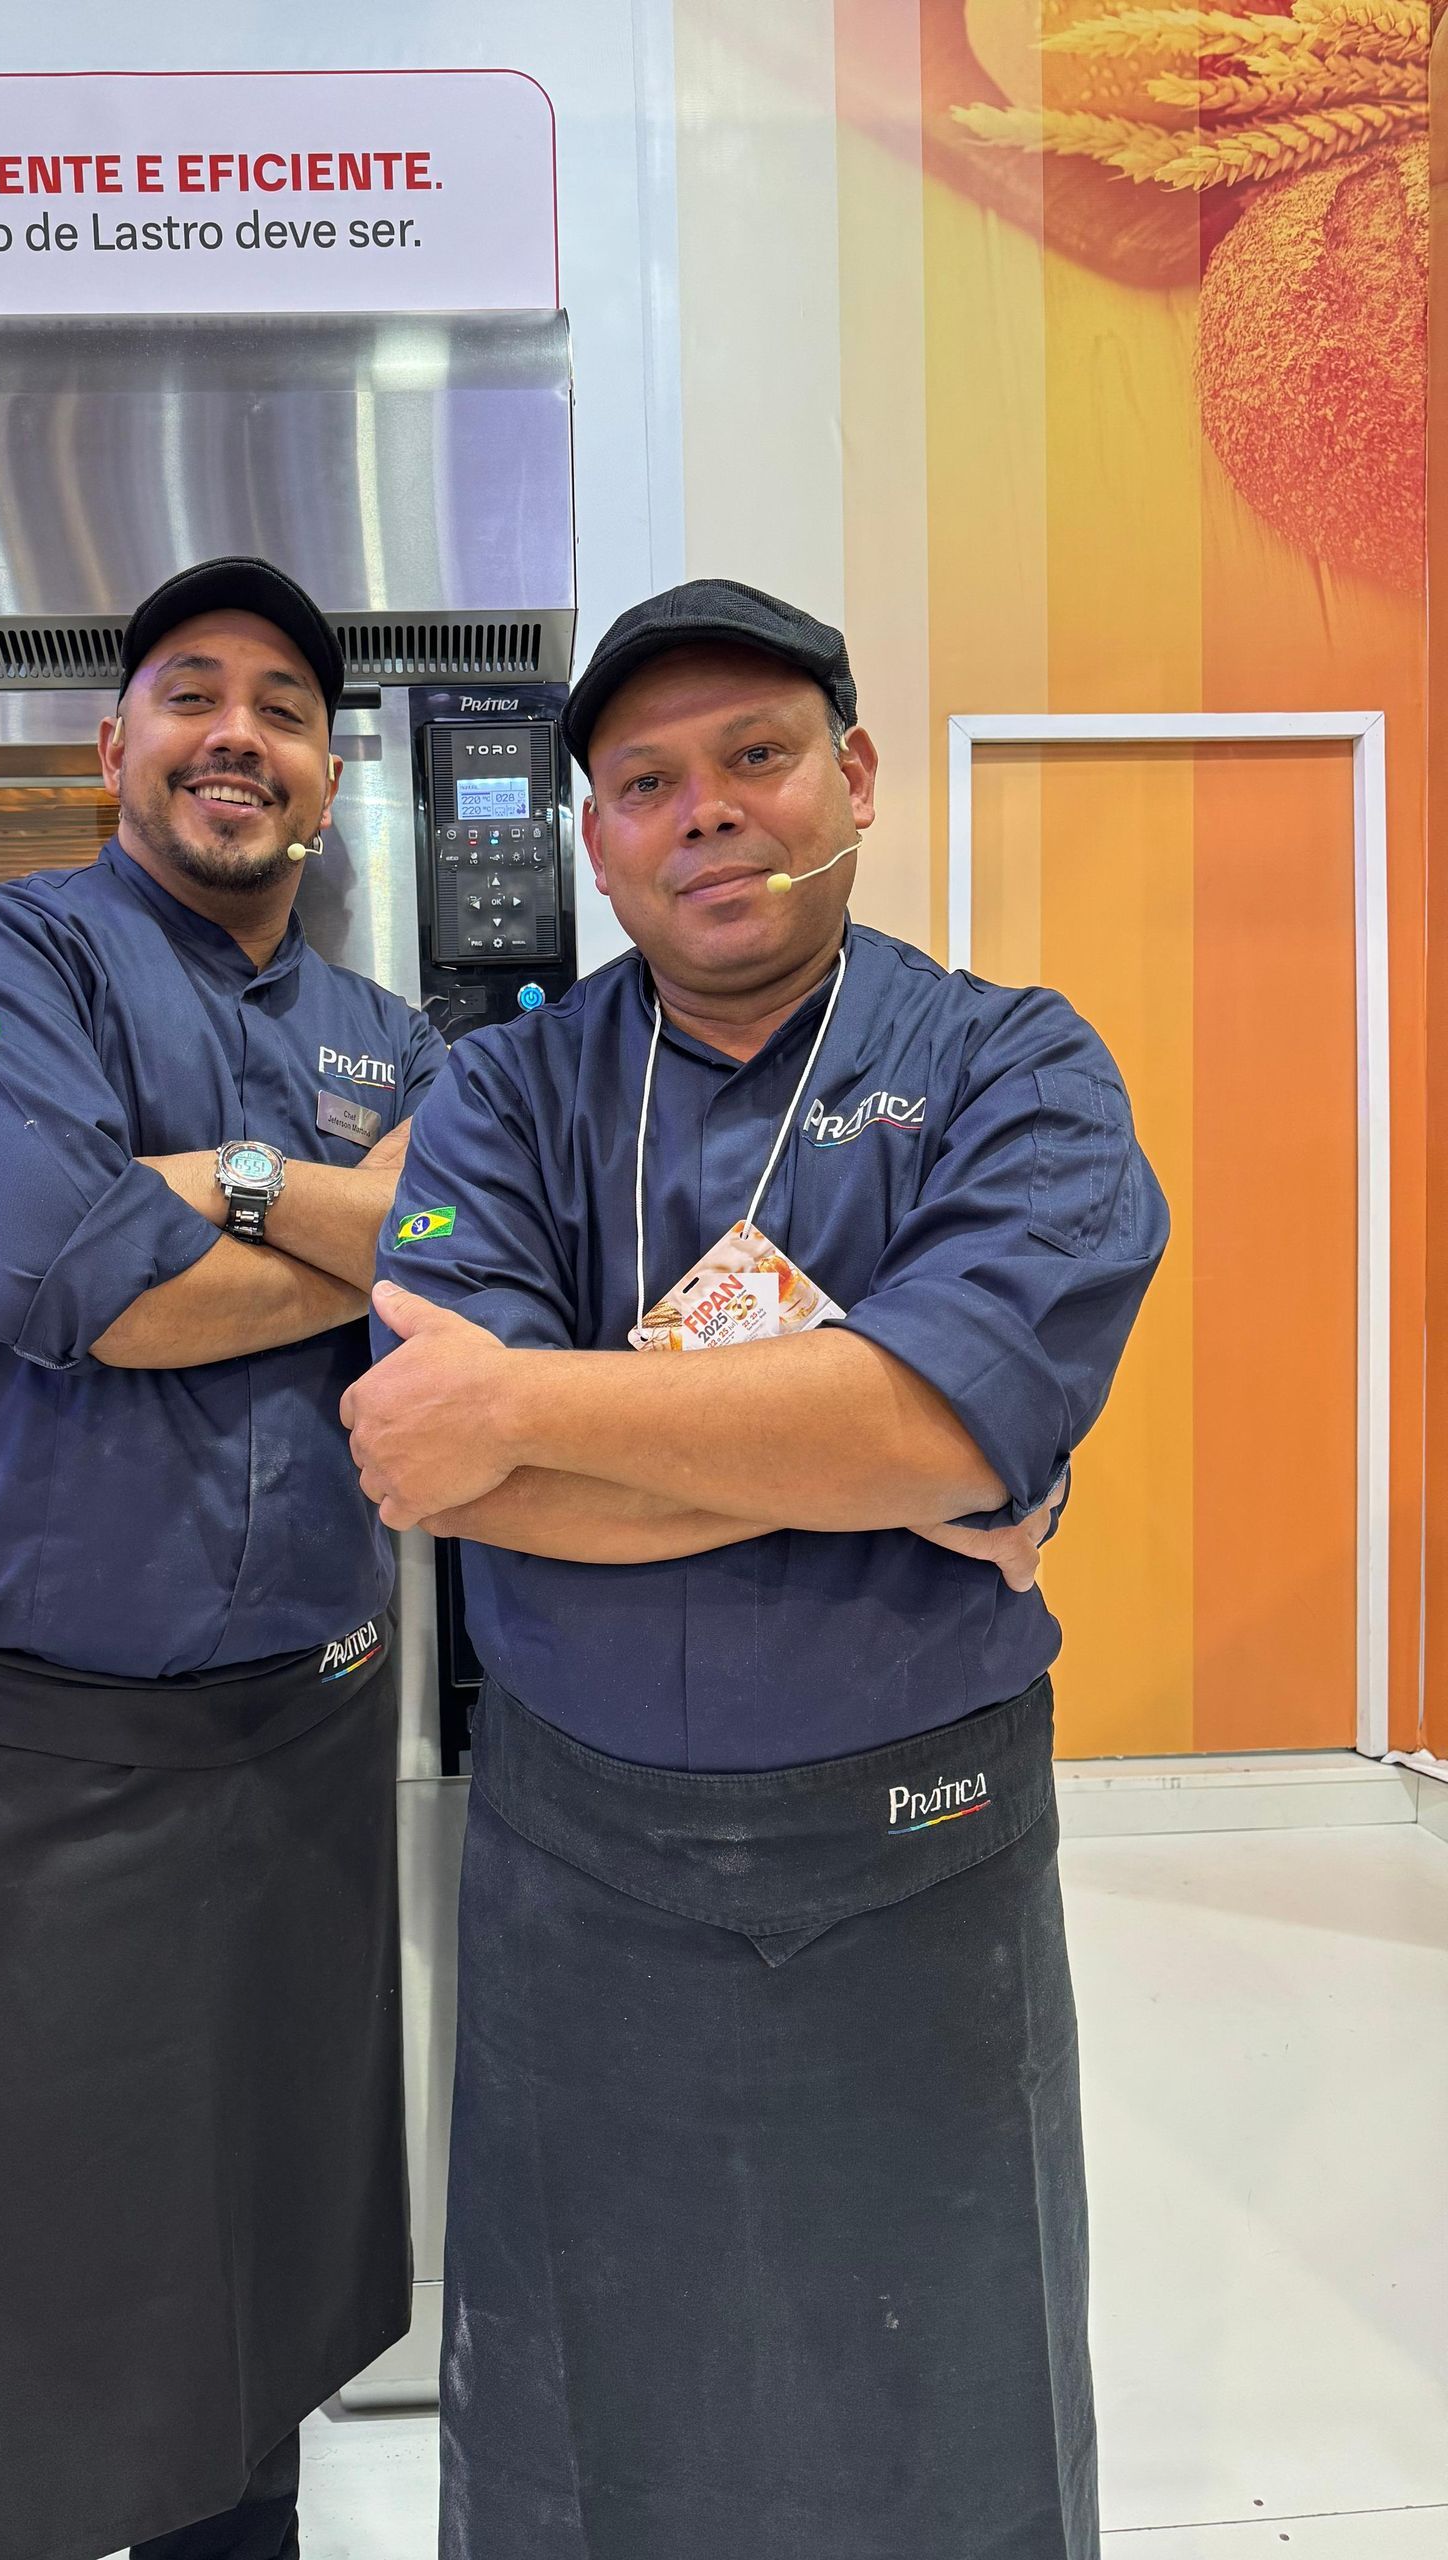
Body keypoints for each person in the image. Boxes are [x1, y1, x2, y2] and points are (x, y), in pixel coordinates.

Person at [343, 577, 1169, 2560]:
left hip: (921, 1847)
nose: (705, 808)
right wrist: (873, 1440)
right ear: (596, 843)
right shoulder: (504, 1093)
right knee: (580, 2412)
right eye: (644, 781)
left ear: (856, 777)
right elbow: (441, 1462)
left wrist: (566, 1408)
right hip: (575, 1853)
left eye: (756, 756)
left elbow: (929, 1420)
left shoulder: (1014, 1067)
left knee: (948, 2402)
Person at [0, 557, 446, 2560]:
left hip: (299, 1755)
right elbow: (54, 1266)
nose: (237, 735)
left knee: (250, 2288)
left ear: (329, 777)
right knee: (3, 2321)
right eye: (192, 694)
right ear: (116, 745)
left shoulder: (384, 1032)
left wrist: (204, 1202)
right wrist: (312, 1214)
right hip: (27, 1760)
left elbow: (451, 1286)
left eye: (284, 706)